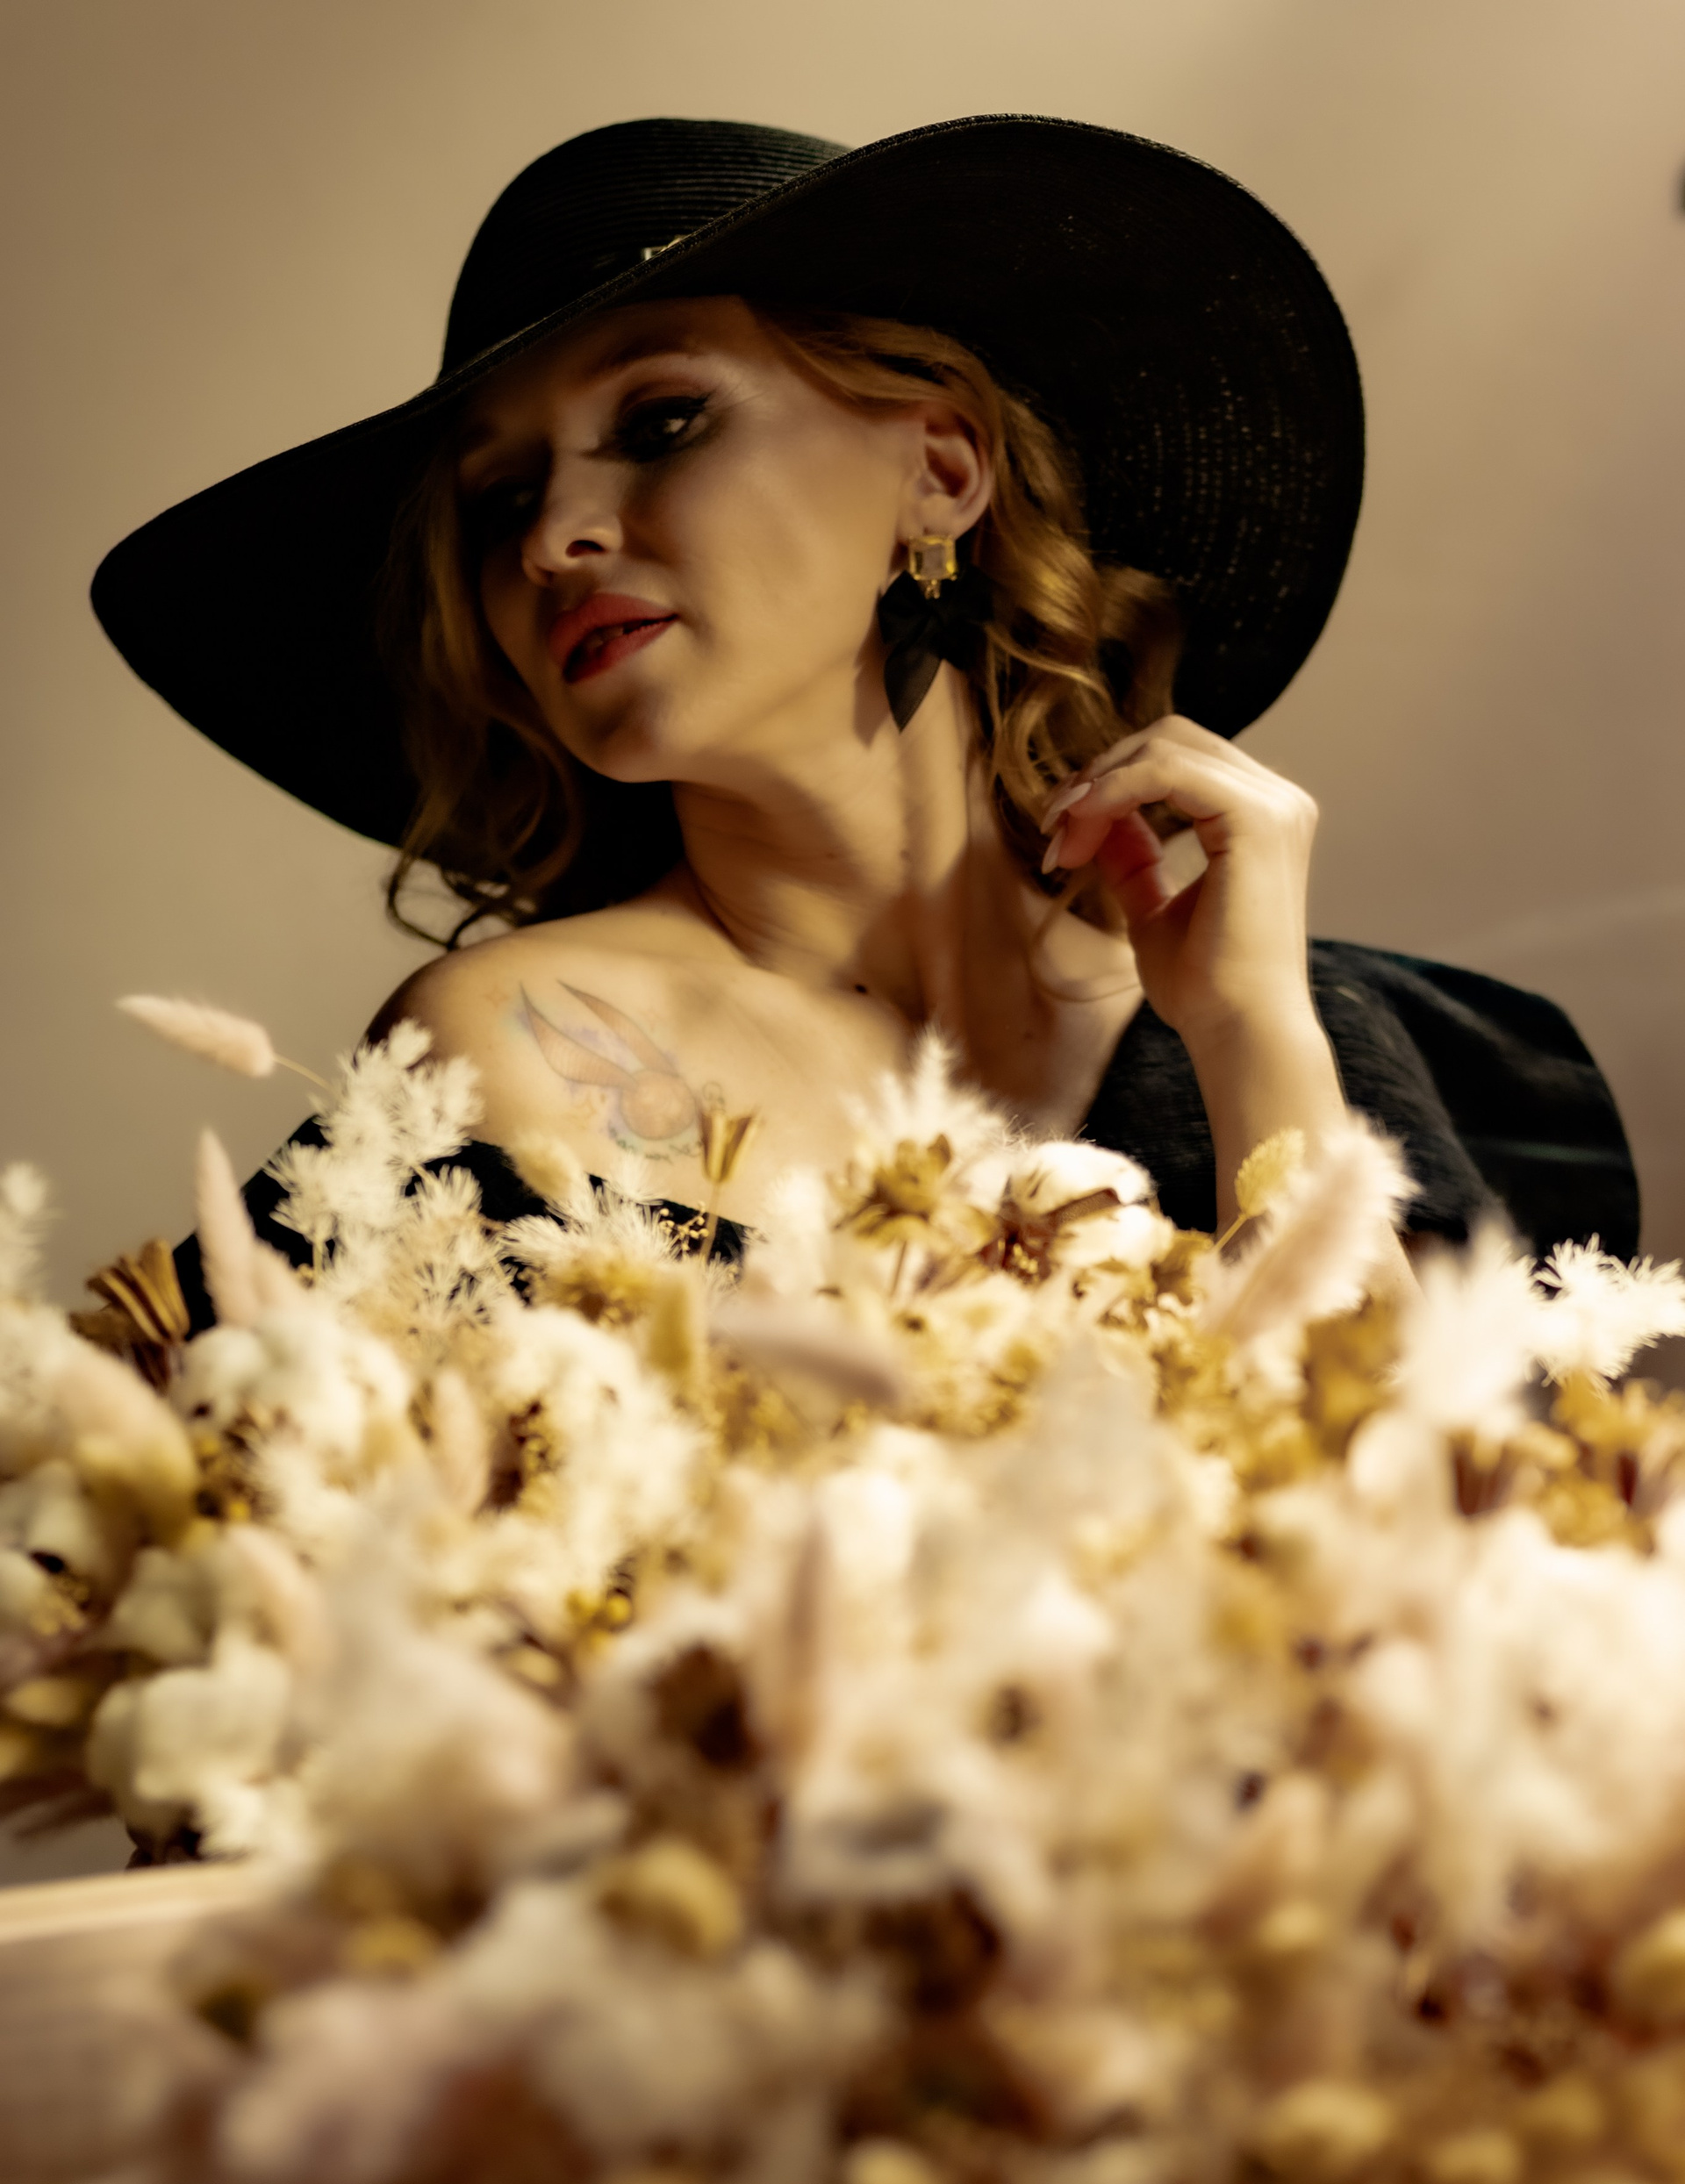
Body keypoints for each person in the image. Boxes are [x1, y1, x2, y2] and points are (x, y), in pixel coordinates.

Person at [91, 118, 1637, 1309]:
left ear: (941, 471)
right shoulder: (515, 1047)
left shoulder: (1338, 1032)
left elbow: (1426, 1548)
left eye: (661, 420)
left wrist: (1254, 1043)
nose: (555, 536)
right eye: (502, 499)